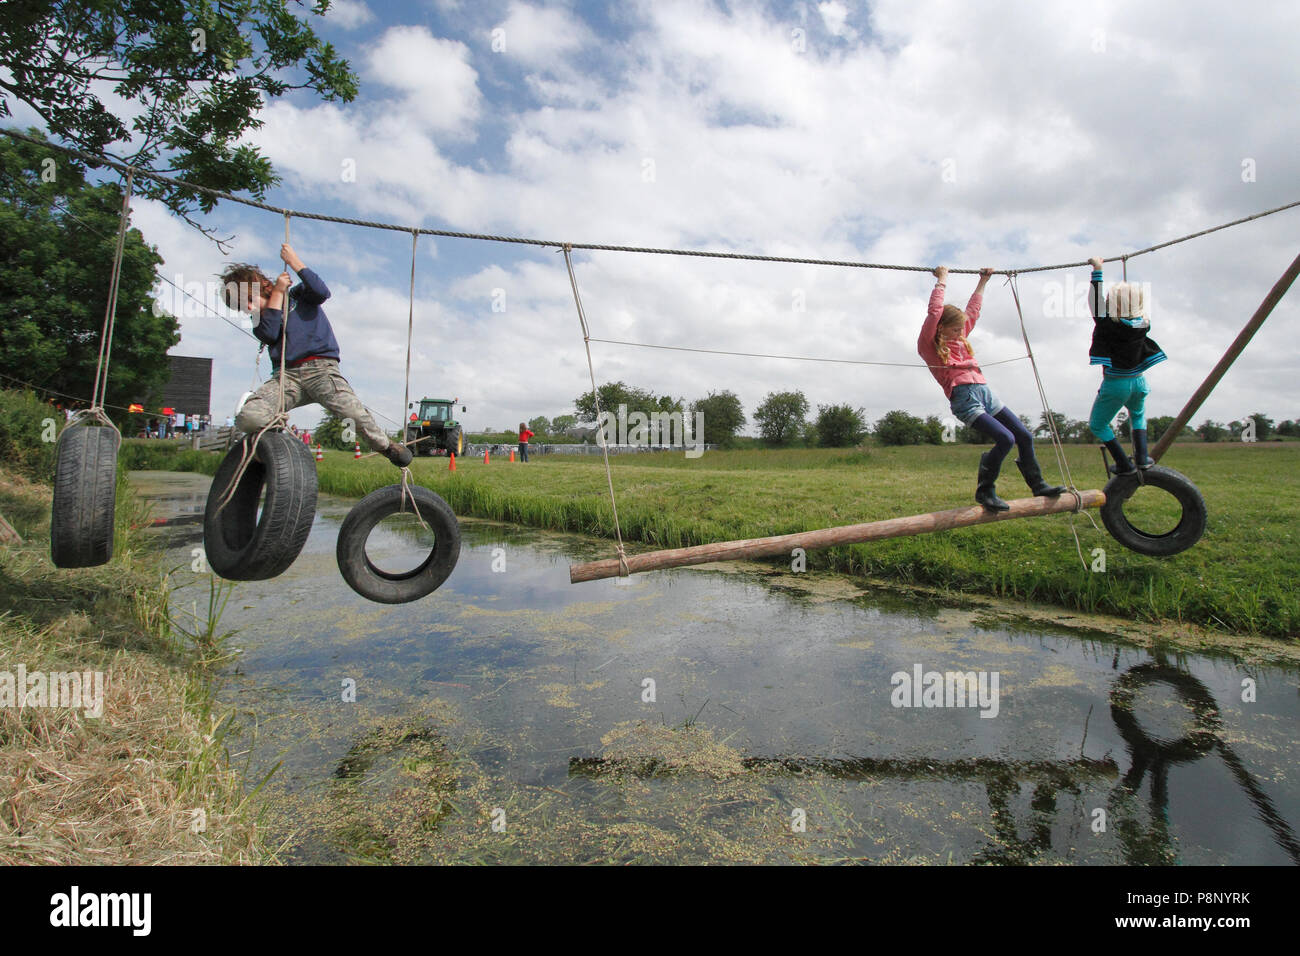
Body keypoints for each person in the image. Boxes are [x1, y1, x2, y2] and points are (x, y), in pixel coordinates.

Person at [220, 243, 412, 467]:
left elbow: (322, 291)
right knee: (249, 415)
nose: (250, 309)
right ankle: (281, 447)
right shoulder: (261, 322)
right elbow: (271, 333)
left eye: (250, 301)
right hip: (287, 377)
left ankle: (387, 447)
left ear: (262, 285)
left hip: (321, 370)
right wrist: (277, 295)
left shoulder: (298, 297)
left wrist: (295, 263)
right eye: (243, 308)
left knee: (353, 413)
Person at [919, 266, 1065, 511]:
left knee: (1024, 436)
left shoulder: (960, 335)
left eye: (961, 329)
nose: (960, 333)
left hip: (985, 392)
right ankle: (985, 490)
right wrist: (942, 280)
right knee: (1005, 439)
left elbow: (973, 311)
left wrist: (983, 281)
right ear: (941, 328)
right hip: (965, 399)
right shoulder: (929, 345)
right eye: (955, 329)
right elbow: (934, 312)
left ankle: (1038, 484)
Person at [1085, 256, 1166, 474]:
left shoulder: (1109, 324)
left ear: (1113, 304)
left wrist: (1098, 269)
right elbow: (1130, 309)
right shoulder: (1143, 323)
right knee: (1137, 415)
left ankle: (1123, 464)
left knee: (1098, 425)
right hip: (1139, 383)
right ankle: (1142, 458)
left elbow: (1095, 302)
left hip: (1116, 384)